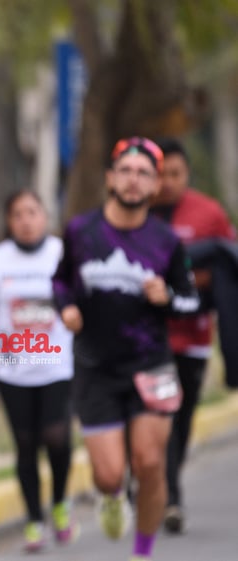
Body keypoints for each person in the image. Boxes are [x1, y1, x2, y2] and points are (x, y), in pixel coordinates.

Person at [52, 136, 200, 561]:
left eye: (144, 174)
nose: (134, 181)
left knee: (150, 462)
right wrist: (66, 310)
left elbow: (191, 301)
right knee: (109, 473)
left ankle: (143, 551)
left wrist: (167, 297)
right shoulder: (81, 231)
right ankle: (112, 495)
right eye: (127, 171)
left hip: (151, 362)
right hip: (95, 366)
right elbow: (60, 281)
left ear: (155, 186)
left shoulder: (167, 241)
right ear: (110, 178)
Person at [0, 189, 78, 552]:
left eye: (32, 212)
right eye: (17, 214)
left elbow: (81, 307)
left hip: (57, 364)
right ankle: (35, 520)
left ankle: (61, 502)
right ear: (8, 220)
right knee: (26, 444)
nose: (26, 220)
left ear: (44, 216)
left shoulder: (63, 253)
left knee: (57, 437)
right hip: (11, 369)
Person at [150, 137, 236, 534]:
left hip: (195, 336)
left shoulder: (209, 214)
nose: (167, 182)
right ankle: (168, 496)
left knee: (182, 419)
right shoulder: (138, 216)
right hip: (149, 338)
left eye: (175, 174)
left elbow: (226, 271)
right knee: (162, 413)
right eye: (160, 174)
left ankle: (166, 483)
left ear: (187, 175)